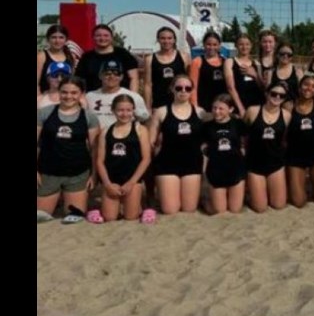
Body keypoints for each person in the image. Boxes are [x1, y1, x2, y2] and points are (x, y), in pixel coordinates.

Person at [37, 77, 101, 221]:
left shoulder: (89, 117)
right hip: (48, 172)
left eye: (74, 93)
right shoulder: (44, 113)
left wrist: (93, 175)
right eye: (64, 92)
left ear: (81, 94)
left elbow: (94, 149)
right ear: (59, 92)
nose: (68, 96)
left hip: (77, 173)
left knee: (74, 215)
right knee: (41, 216)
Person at [150, 74, 205, 214]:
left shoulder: (200, 113)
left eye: (188, 88)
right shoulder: (161, 111)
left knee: (189, 208)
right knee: (170, 210)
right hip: (167, 163)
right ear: (172, 89)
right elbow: (151, 141)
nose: (183, 91)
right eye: (179, 88)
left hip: (192, 163)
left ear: (192, 90)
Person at [93, 95, 153, 223]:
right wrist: (107, 184)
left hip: (132, 179)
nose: (124, 114)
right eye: (120, 110)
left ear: (133, 111)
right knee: (109, 218)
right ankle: (100, 209)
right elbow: (100, 161)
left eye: (128, 110)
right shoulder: (105, 131)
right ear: (113, 110)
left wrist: (131, 182)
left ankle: (142, 209)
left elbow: (146, 158)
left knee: (131, 217)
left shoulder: (140, 130)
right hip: (112, 179)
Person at [244, 81, 291, 212]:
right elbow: (243, 133)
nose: (277, 97)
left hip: (275, 163)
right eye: (274, 93)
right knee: (260, 208)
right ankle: (250, 191)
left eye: (281, 96)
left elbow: (285, 140)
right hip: (255, 164)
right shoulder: (252, 111)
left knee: (279, 205)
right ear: (266, 94)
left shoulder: (286, 115)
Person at [284, 75, 314, 207]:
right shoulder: (288, 106)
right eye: (306, 84)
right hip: (295, 156)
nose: (309, 88)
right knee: (299, 202)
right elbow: (283, 133)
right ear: (299, 87)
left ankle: (312, 180)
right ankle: (298, 181)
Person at [202, 94, 246, 215]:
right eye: (214, 108)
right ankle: (205, 200)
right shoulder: (207, 127)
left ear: (230, 109)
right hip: (216, 170)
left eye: (221, 108)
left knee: (235, 210)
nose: (216, 111)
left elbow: (246, 141)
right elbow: (202, 146)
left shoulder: (238, 124)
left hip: (236, 169)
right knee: (219, 211)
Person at [86, 60, 150, 129]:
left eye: (116, 74)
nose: (112, 76)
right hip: (95, 137)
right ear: (100, 75)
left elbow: (144, 120)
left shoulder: (134, 97)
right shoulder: (89, 96)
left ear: (122, 77)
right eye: (107, 73)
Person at [75, 24, 140, 92]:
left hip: (121, 98)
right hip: (94, 97)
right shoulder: (87, 57)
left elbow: (134, 78)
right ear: (93, 37)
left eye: (106, 35)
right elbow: (79, 80)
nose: (102, 38)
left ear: (111, 38)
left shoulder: (123, 54)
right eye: (98, 36)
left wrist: (133, 97)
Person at [143, 27, 190, 112]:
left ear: (174, 40)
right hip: (159, 103)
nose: (166, 41)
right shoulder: (149, 59)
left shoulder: (184, 56)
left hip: (180, 102)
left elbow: (190, 81)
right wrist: (148, 106)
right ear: (158, 40)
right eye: (163, 38)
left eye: (169, 38)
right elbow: (147, 85)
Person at [224, 33, 265, 115]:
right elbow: (230, 88)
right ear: (236, 45)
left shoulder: (257, 63)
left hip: (256, 103)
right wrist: (241, 108)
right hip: (238, 104)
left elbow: (262, 87)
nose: (244, 47)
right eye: (241, 44)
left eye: (247, 44)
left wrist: (255, 75)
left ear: (251, 46)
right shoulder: (230, 62)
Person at [189, 31, 228, 112]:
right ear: (204, 45)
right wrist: (195, 107)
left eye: (215, 44)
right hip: (204, 105)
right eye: (208, 44)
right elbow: (193, 87)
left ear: (219, 45)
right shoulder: (197, 62)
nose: (211, 47)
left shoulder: (226, 62)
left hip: (222, 106)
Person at [37, 24, 76, 95]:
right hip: (46, 98)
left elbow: (72, 81)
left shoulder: (71, 56)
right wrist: (39, 99)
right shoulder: (41, 56)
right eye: (53, 37)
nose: (57, 41)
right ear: (48, 39)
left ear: (66, 40)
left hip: (66, 98)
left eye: (61, 37)